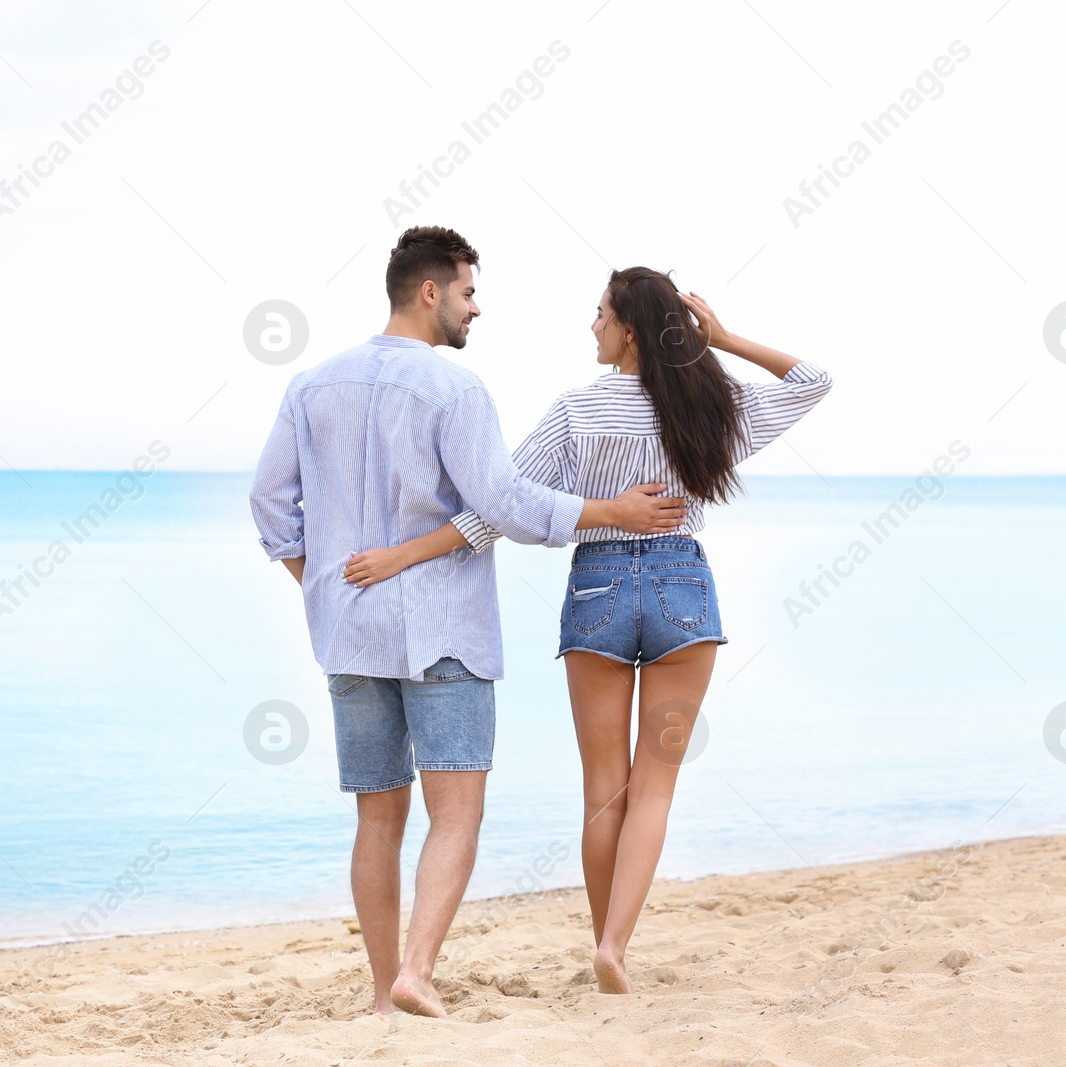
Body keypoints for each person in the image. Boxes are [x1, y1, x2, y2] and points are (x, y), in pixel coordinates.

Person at [342, 266, 833, 994]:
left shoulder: (577, 411)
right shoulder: (710, 405)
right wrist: (722, 340)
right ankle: (614, 946)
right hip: (681, 589)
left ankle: (610, 949)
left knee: (604, 786)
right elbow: (812, 381)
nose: (592, 325)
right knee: (655, 785)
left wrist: (401, 555)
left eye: (600, 313)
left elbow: (496, 509)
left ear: (630, 328)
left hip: (598, 583)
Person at [249, 230, 691, 1017]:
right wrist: (610, 511)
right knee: (455, 811)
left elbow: (270, 506)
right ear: (430, 293)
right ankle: (417, 969)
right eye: (467, 292)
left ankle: (387, 994)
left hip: (349, 631)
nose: (475, 308)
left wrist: (318, 585)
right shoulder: (455, 391)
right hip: (444, 627)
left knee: (376, 814)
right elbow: (508, 506)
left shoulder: (310, 386)